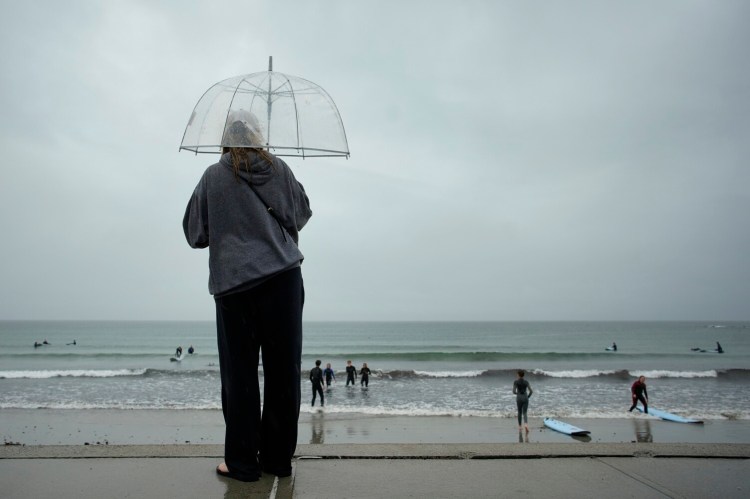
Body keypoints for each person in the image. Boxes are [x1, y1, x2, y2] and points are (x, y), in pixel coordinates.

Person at [183, 112, 312, 483]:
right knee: (283, 373)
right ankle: (278, 460)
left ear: (224, 138)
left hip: (235, 288)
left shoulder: (213, 176)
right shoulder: (280, 169)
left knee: (239, 377)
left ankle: (242, 463)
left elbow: (195, 233)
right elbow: (301, 214)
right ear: (259, 135)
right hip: (283, 279)